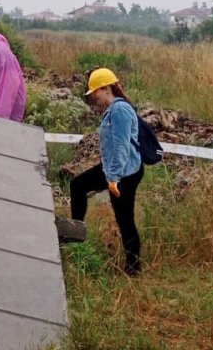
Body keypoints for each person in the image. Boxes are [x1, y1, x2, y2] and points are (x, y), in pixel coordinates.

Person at [69, 67, 145, 275]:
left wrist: (113, 178)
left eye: (95, 92)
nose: (93, 97)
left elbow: (121, 147)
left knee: (125, 219)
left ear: (106, 88)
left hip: (124, 173)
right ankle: (75, 234)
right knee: (78, 185)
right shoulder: (113, 109)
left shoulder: (119, 110)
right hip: (114, 169)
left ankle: (133, 269)